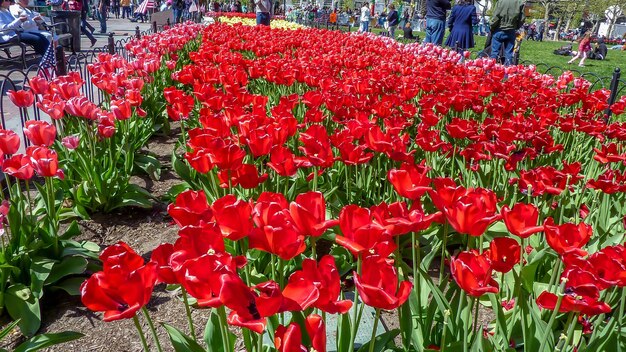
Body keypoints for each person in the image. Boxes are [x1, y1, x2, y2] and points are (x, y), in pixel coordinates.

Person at [489, 0, 525, 65]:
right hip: (511, 30)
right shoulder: (519, 2)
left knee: (494, 53)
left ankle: (492, 70)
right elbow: (522, 19)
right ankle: (507, 72)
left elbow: (495, 17)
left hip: (499, 29)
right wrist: (516, 26)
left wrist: (492, 27)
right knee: (509, 54)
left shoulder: (500, 2)